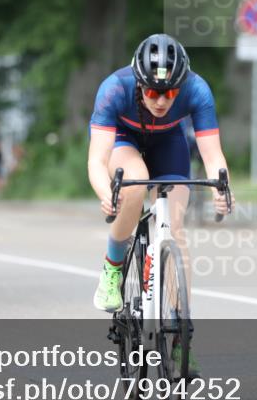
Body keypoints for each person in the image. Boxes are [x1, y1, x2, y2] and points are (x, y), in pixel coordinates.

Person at [87, 34, 235, 317]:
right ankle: (112, 268)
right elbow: (97, 160)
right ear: (139, 84)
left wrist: (221, 190)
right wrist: (106, 193)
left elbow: (213, 156)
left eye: (171, 93)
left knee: (175, 225)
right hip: (123, 137)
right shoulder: (114, 89)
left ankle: (180, 323)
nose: (162, 101)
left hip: (168, 140)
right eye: (153, 92)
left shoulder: (197, 89)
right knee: (135, 179)